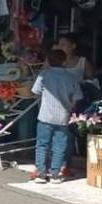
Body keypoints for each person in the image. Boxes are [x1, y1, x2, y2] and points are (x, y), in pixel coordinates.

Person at [31, 48, 82, 185]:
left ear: (48, 61)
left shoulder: (44, 75)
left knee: (42, 144)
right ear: (64, 61)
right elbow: (77, 96)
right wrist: (70, 106)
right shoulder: (71, 77)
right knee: (59, 146)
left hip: (45, 116)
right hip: (63, 116)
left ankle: (41, 173)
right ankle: (55, 174)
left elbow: (35, 91)